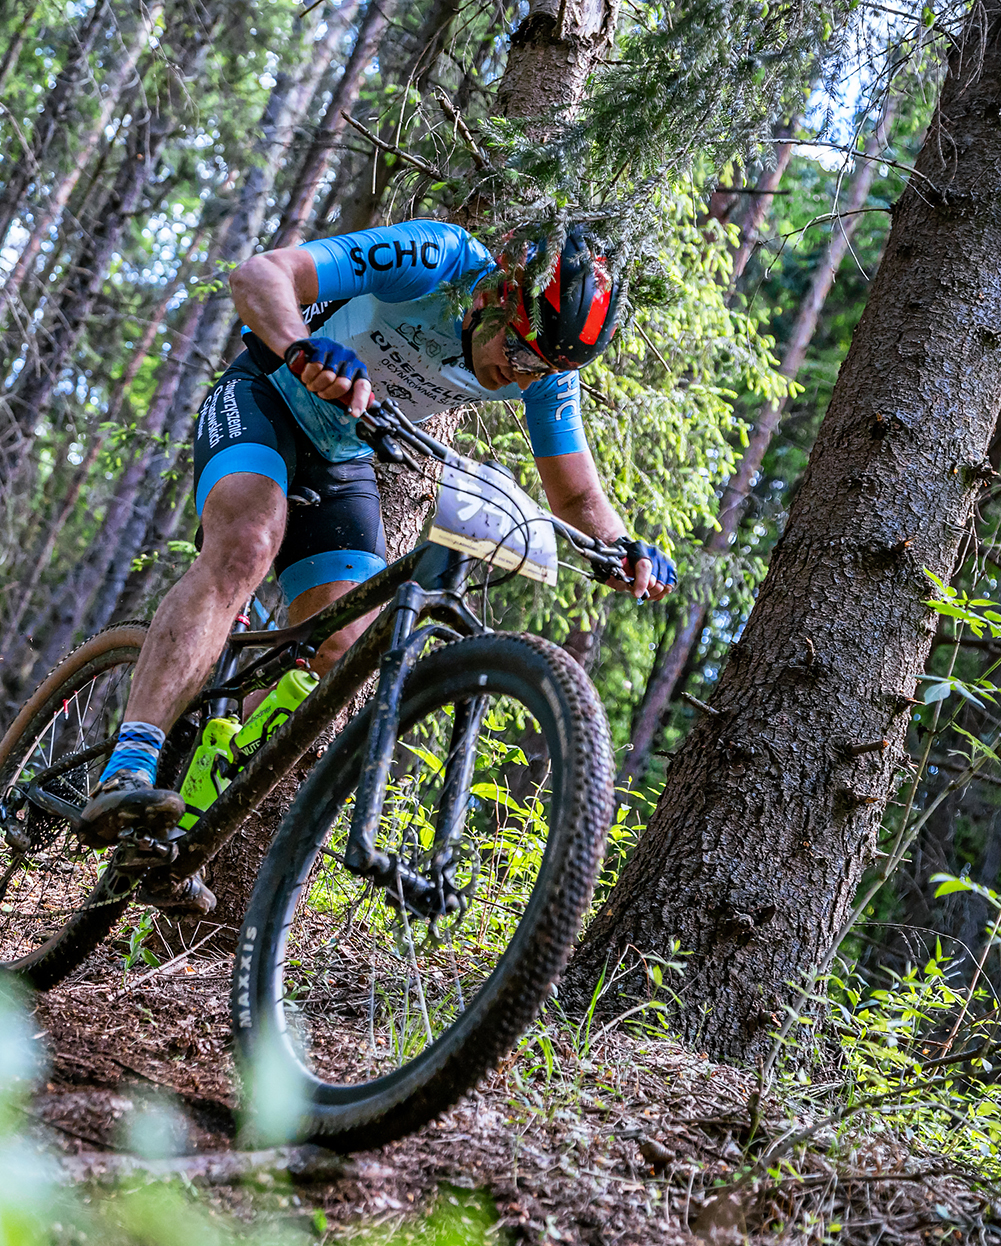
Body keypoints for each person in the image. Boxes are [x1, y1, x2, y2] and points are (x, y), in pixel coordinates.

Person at [78, 218, 679, 904]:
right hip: (267, 394)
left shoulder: (544, 369)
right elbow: (261, 275)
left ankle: (200, 786)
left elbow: (574, 495)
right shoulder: (437, 258)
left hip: (343, 452)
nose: (519, 372)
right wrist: (300, 347)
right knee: (246, 545)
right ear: (495, 295)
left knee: (343, 645)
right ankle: (130, 762)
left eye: (538, 367)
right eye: (517, 348)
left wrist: (622, 549)